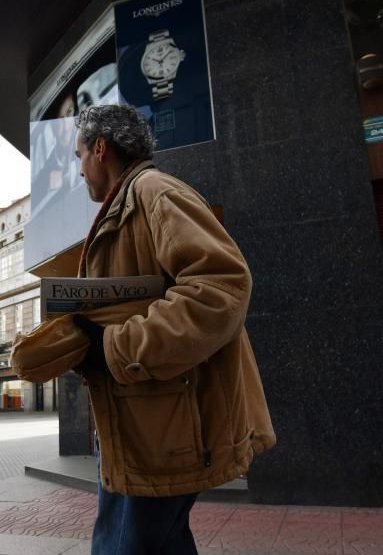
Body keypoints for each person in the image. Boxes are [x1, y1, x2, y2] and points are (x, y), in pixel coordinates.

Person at [71, 104, 275, 554]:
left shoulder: (155, 192)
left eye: (79, 155)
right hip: (141, 426)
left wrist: (112, 347)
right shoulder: (127, 204)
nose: (79, 169)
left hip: (164, 429)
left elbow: (221, 287)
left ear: (100, 149)